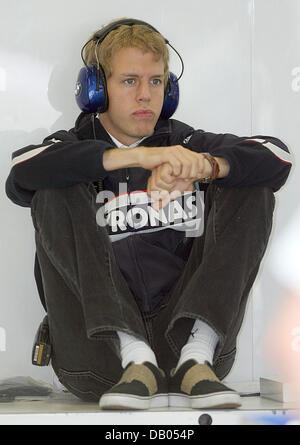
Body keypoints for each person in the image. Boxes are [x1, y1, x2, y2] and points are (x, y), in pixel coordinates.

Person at [5, 18, 292, 411]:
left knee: (250, 179)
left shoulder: (186, 144)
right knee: (55, 181)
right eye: (129, 81)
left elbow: (278, 156)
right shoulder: (71, 146)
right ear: (97, 90)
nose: (145, 95)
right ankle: (134, 354)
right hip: (98, 358)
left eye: (156, 81)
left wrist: (206, 166)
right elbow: (22, 170)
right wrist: (140, 156)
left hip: (191, 354)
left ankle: (198, 352)